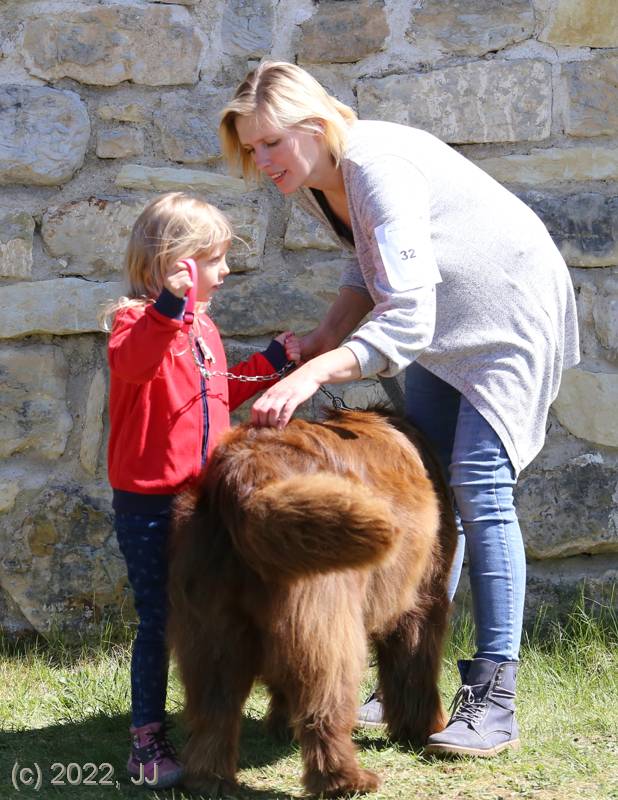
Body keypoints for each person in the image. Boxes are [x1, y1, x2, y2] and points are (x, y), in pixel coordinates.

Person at [218, 61, 580, 757]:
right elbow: (369, 261)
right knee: (432, 492)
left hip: (508, 314)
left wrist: (316, 371)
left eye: (272, 142)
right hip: (445, 326)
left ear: (315, 125)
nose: (262, 161)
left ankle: (494, 700)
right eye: (252, 147)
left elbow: (407, 315)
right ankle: (410, 687)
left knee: (478, 484)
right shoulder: (316, 175)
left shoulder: (375, 167)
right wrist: (326, 335)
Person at [104, 191, 300, 787]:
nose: (227, 270)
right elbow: (135, 364)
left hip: (206, 500)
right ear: (177, 266)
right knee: (160, 617)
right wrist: (171, 306)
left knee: (219, 608)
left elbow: (217, 392)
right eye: (215, 260)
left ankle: (218, 716)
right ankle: (146, 740)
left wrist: (272, 362)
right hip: (151, 505)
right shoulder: (135, 323)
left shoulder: (203, 328)